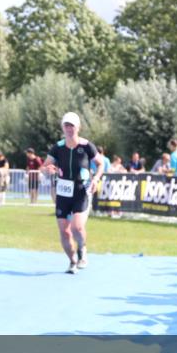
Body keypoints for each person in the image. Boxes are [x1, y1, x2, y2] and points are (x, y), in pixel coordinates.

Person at [42, 112, 105, 274]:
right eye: (66, 125)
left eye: (72, 126)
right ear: (63, 127)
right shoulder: (58, 147)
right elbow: (44, 167)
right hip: (63, 193)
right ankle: (72, 261)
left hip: (81, 191)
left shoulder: (86, 146)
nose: (69, 129)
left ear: (78, 127)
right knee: (64, 231)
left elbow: (100, 164)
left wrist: (96, 179)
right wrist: (47, 170)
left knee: (77, 227)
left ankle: (82, 249)